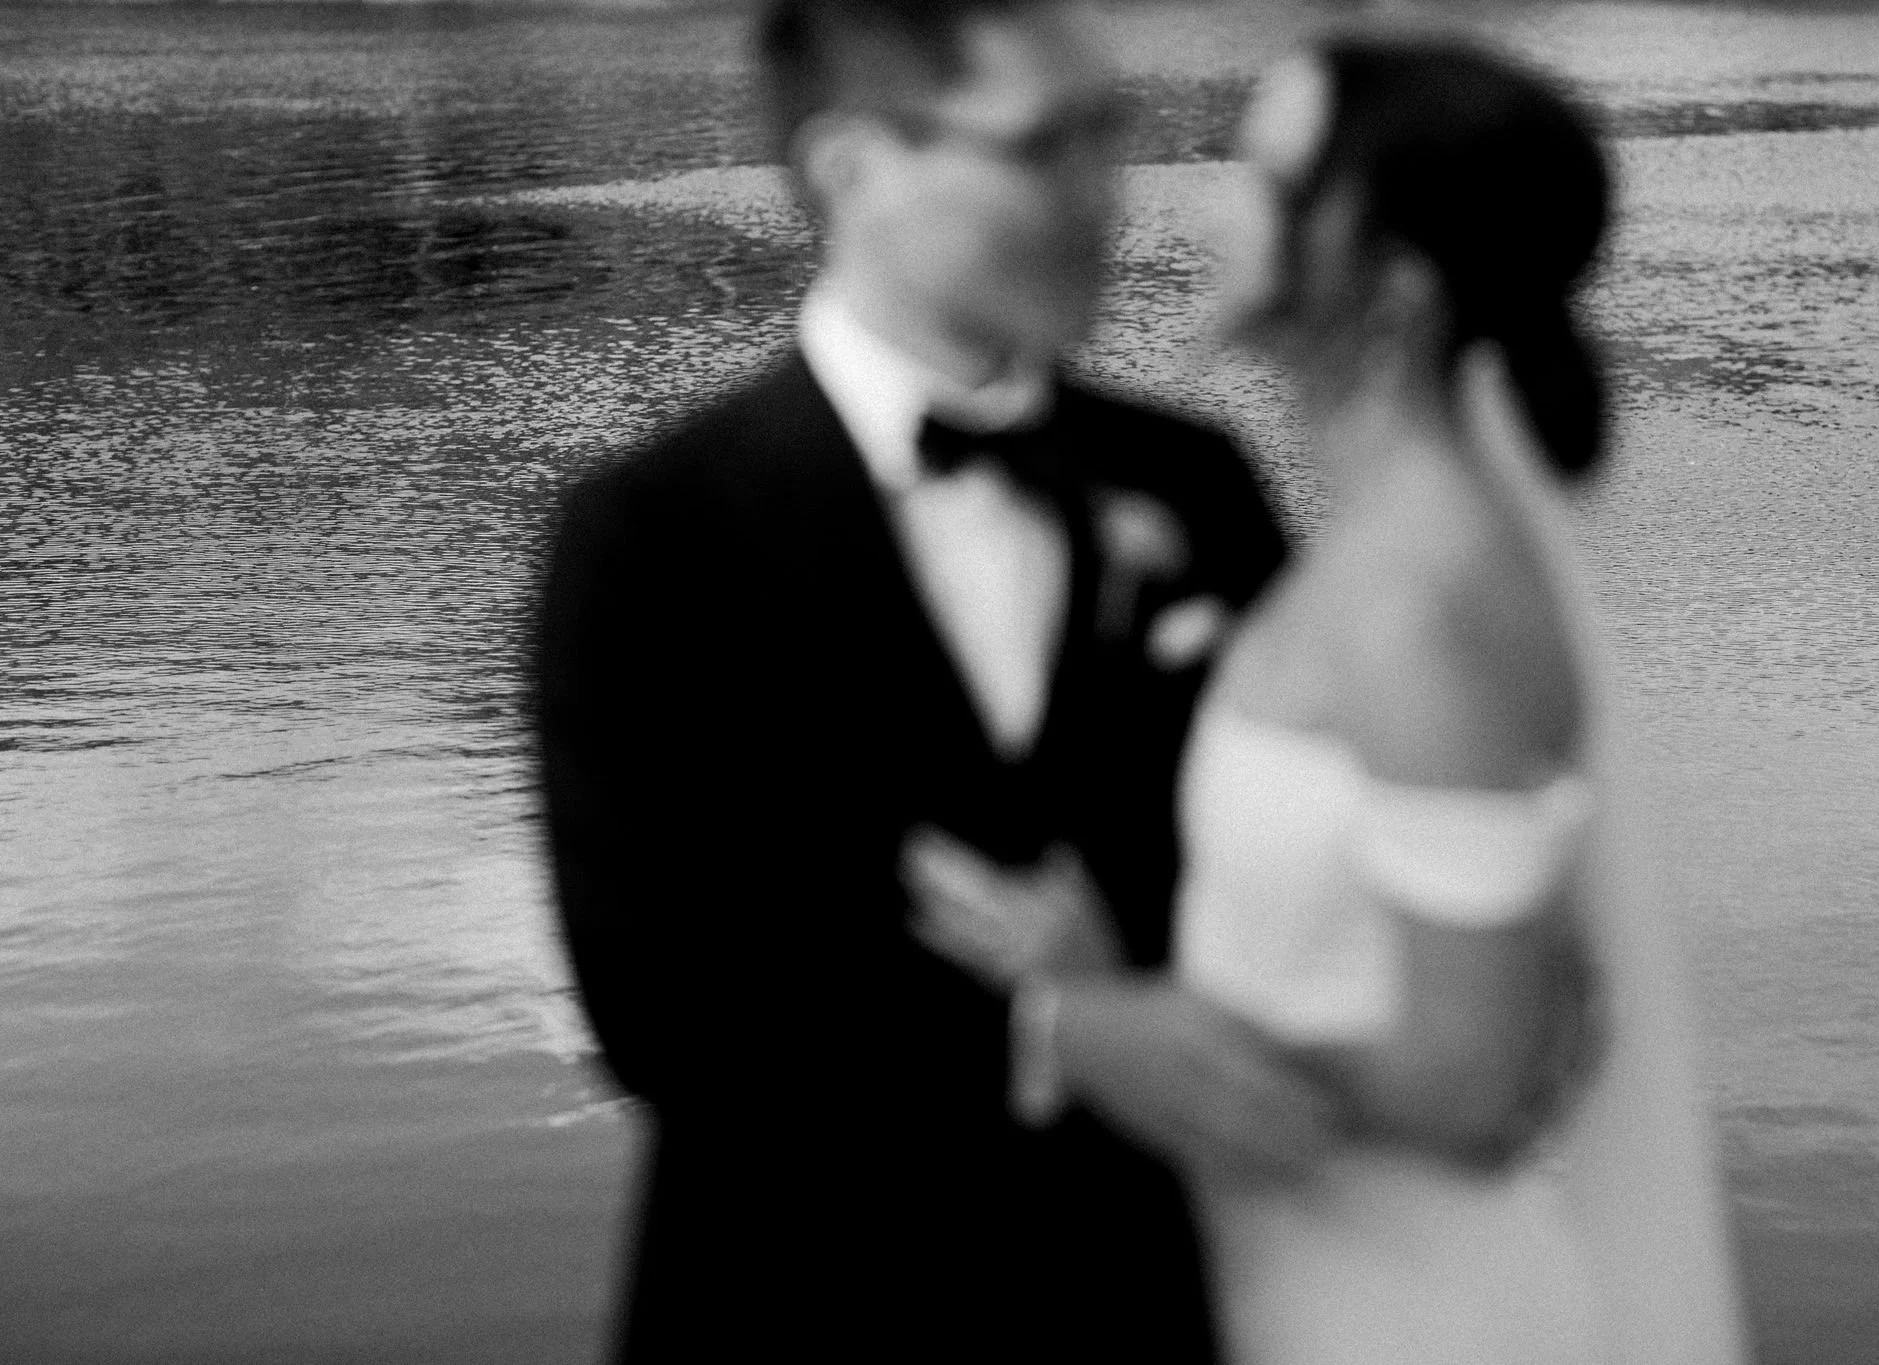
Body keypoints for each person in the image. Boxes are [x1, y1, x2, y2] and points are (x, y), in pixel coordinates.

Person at [909, 33, 1749, 1365]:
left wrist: (1133, 1030)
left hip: (1405, 1307)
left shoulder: (1423, 611)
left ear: (1395, 288)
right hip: (1289, 1271)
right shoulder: (1374, 552)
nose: (1205, 201)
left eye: (1267, 177)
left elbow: (1477, 1080)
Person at [531, 1, 1337, 1358]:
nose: (1106, 197)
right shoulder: (655, 535)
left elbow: (1303, 869)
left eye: (1110, 134)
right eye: (1044, 146)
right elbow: (659, 1015)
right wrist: (1056, 1037)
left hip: (1136, 1298)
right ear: (850, 166)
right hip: (792, 1298)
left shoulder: (1194, 487)